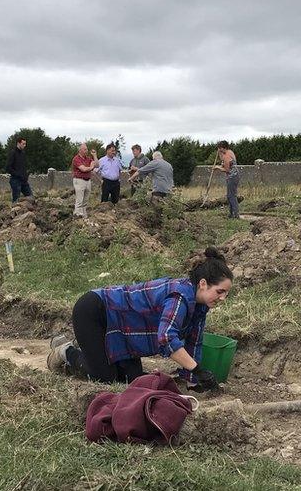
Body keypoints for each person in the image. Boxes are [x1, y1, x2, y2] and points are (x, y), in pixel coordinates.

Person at [47, 247, 232, 389]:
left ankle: (92, 346)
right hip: (95, 311)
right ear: (203, 284)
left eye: (226, 293)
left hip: (120, 331)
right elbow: (166, 338)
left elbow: (194, 341)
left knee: (133, 379)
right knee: (104, 377)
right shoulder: (179, 297)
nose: (222, 298)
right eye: (220, 291)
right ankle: (66, 350)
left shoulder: (200, 307)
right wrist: (197, 369)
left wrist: (193, 380)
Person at [214, 141, 240, 218]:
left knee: (231, 196)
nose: (218, 149)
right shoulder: (230, 152)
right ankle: (231, 214)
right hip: (235, 176)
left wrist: (217, 168)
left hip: (232, 177)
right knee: (230, 196)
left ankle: (235, 215)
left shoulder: (226, 156)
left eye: (219, 148)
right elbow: (223, 159)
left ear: (222, 148)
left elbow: (227, 170)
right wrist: (219, 154)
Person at [71, 143, 98, 217]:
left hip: (87, 180)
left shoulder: (88, 158)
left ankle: (84, 215)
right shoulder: (76, 159)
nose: (86, 151)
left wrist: (94, 155)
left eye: (87, 149)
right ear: (80, 150)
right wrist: (91, 167)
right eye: (85, 149)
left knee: (85, 200)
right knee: (79, 199)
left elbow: (97, 165)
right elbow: (83, 169)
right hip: (79, 180)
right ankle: (77, 215)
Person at [5, 136, 31, 202]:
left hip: (23, 180)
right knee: (16, 200)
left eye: (25, 144)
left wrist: (26, 174)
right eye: (23, 144)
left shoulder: (23, 153)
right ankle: (15, 211)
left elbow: (23, 166)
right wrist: (18, 174)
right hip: (15, 180)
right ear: (18, 143)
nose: (24, 145)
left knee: (31, 198)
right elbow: (8, 168)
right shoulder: (13, 153)